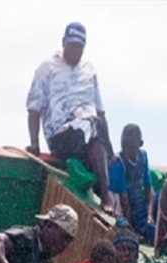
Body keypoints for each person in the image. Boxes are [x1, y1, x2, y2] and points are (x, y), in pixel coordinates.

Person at [26, 22, 115, 214]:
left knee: (96, 129)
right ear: (63, 42)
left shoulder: (89, 69)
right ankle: (107, 195)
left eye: (79, 47)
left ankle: (111, 202)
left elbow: (100, 112)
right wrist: (34, 142)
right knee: (92, 126)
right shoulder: (47, 68)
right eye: (72, 45)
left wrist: (111, 150)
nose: (75, 50)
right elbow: (34, 109)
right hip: (62, 135)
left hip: (90, 133)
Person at [109, 124, 155, 245]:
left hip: (142, 208)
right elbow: (124, 201)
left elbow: (149, 188)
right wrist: (133, 230)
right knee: (148, 231)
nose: (127, 150)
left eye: (131, 146)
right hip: (127, 212)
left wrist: (150, 214)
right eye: (124, 146)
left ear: (140, 143)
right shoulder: (118, 163)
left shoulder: (143, 156)